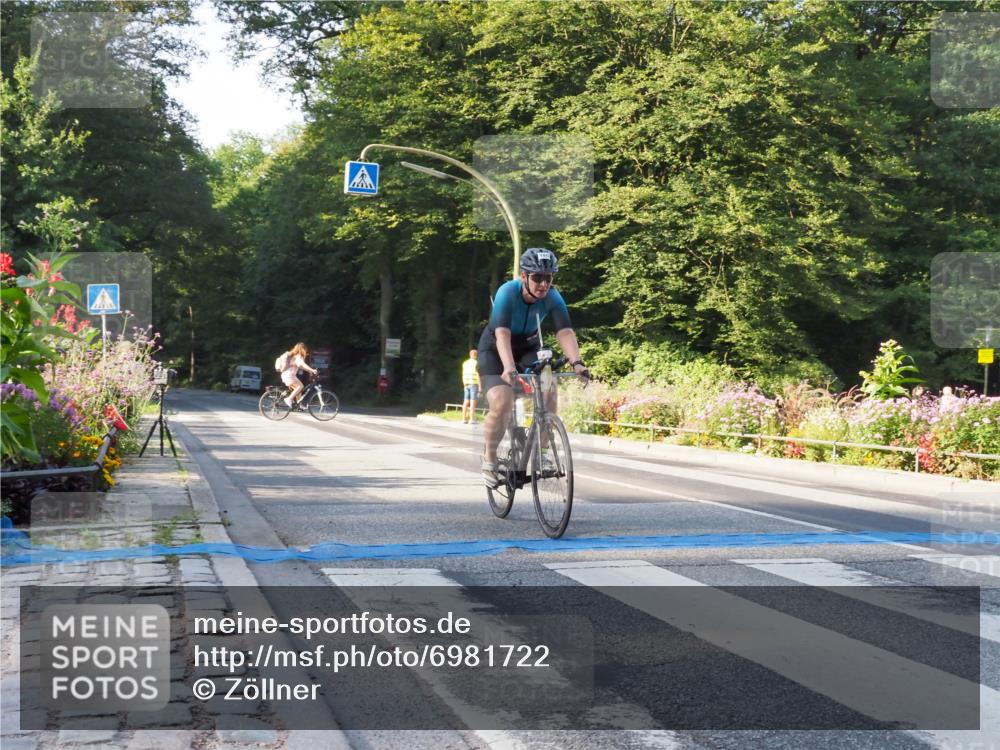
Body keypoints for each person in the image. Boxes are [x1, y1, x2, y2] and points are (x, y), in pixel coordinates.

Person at [477, 247, 589, 486]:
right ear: (524, 277)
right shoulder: (507, 292)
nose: (543, 284)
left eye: (548, 278)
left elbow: (565, 331)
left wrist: (577, 363)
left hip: (529, 346)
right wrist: (508, 367)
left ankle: (544, 453)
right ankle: (489, 458)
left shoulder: (553, 297)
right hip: (497, 348)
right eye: (537, 277)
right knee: (502, 400)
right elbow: (502, 333)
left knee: (549, 388)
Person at [279, 342, 319, 408]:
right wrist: (312, 370)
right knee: (300, 386)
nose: (305, 351)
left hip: (286, 375)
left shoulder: (293, 356)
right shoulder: (298, 356)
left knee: (299, 389)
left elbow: (301, 367)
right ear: (302, 349)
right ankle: (289, 399)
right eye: (305, 349)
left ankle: (299, 405)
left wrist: (309, 371)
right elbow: (302, 364)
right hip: (289, 376)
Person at [461, 349, 481, 424]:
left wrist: (464, 384)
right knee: (473, 402)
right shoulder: (477, 363)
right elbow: (478, 375)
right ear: (476, 355)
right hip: (474, 383)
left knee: (466, 401)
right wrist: (480, 387)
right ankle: (471, 419)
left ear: (470, 355)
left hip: (466, 383)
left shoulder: (465, 363)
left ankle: (463, 418)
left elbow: (463, 374)